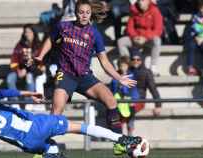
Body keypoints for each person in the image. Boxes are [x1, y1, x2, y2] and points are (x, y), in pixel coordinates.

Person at [0, 83, 149, 158]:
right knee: (80, 127)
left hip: (28, 144)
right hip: (36, 126)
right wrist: (30, 94)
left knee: (53, 151)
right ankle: (122, 140)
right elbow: (5, 92)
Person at [35, 0, 136, 136]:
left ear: (90, 14)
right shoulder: (63, 27)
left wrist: (119, 78)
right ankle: (41, 150)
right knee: (56, 112)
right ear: (76, 13)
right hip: (65, 75)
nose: (84, 15)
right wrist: (40, 55)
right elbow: (50, 39)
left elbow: (104, 61)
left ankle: (119, 141)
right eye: (81, 12)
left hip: (84, 76)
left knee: (111, 100)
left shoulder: (94, 34)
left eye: (87, 13)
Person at [117, 0, 163, 76]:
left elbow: (158, 29)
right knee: (121, 41)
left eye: (142, 0)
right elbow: (129, 27)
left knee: (157, 41)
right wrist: (134, 37)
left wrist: (145, 38)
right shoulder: (134, 10)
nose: (140, 2)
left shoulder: (155, 10)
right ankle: (127, 66)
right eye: (139, 0)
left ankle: (153, 67)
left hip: (148, 39)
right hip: (136, 38)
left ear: (148, 1)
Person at [6, 24, 47, 97]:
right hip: (20, 70)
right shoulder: (19, 45)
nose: (27, 34)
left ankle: (28, 102)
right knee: (10, 78)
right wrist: (18, 70)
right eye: (26, 32)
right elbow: (14, 60)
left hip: (34, 71)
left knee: (29, 77)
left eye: (29, 32)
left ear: (34, 33)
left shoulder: (39, 45)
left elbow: (41, 62)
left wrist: (26, 69)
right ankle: (14, 102)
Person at [110, 56, 143, 136]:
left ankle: (130, 135)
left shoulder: (131, 76)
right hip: (119, 102)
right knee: (118, 119)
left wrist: (133, 100)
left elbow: (134, 89)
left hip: (129, 101)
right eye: (121, 66)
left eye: (125, 65)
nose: (123, 68)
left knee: (130, 119)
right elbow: (113, 89)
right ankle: (119, 136)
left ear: (128, 66)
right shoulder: (116, 76)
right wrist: (118, 82)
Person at [130, 52, 162, 116]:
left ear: (141, 61)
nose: (135, 61)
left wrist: (158, 105)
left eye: (138, 59)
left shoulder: (147, 72)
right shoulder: (127, 70)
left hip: (139, 100)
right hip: (126, 99)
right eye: (133, 59)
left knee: (127, 110)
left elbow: (153, 88)